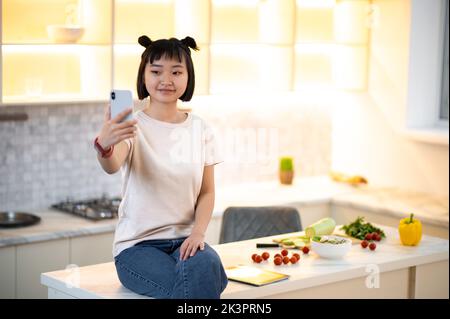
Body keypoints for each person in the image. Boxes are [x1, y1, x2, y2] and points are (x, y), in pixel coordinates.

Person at [94, 35, 228, 299]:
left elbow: (207, 192)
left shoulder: (200, 128)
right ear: (143, 76)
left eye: (176, 72)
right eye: (156, 71)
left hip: (185, 242)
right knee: (203, 282)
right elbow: (112, 164)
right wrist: (105, 145)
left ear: (188, 77)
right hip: (137, 248)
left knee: (208, 265)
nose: (166, 80)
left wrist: (198, 233)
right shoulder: (132, 126)